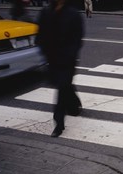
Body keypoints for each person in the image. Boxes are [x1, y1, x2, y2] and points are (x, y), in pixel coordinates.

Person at [36, 0, 84, 137]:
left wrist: (70, 54)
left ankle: (59, 124)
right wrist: (44, 51)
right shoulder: (46, 12)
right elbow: (41, 34)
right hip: (52, 58)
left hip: (67, 59)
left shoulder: (73, 13)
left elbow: (77, 38)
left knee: (62, 88)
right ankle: (74, 105)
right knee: (64, 85)